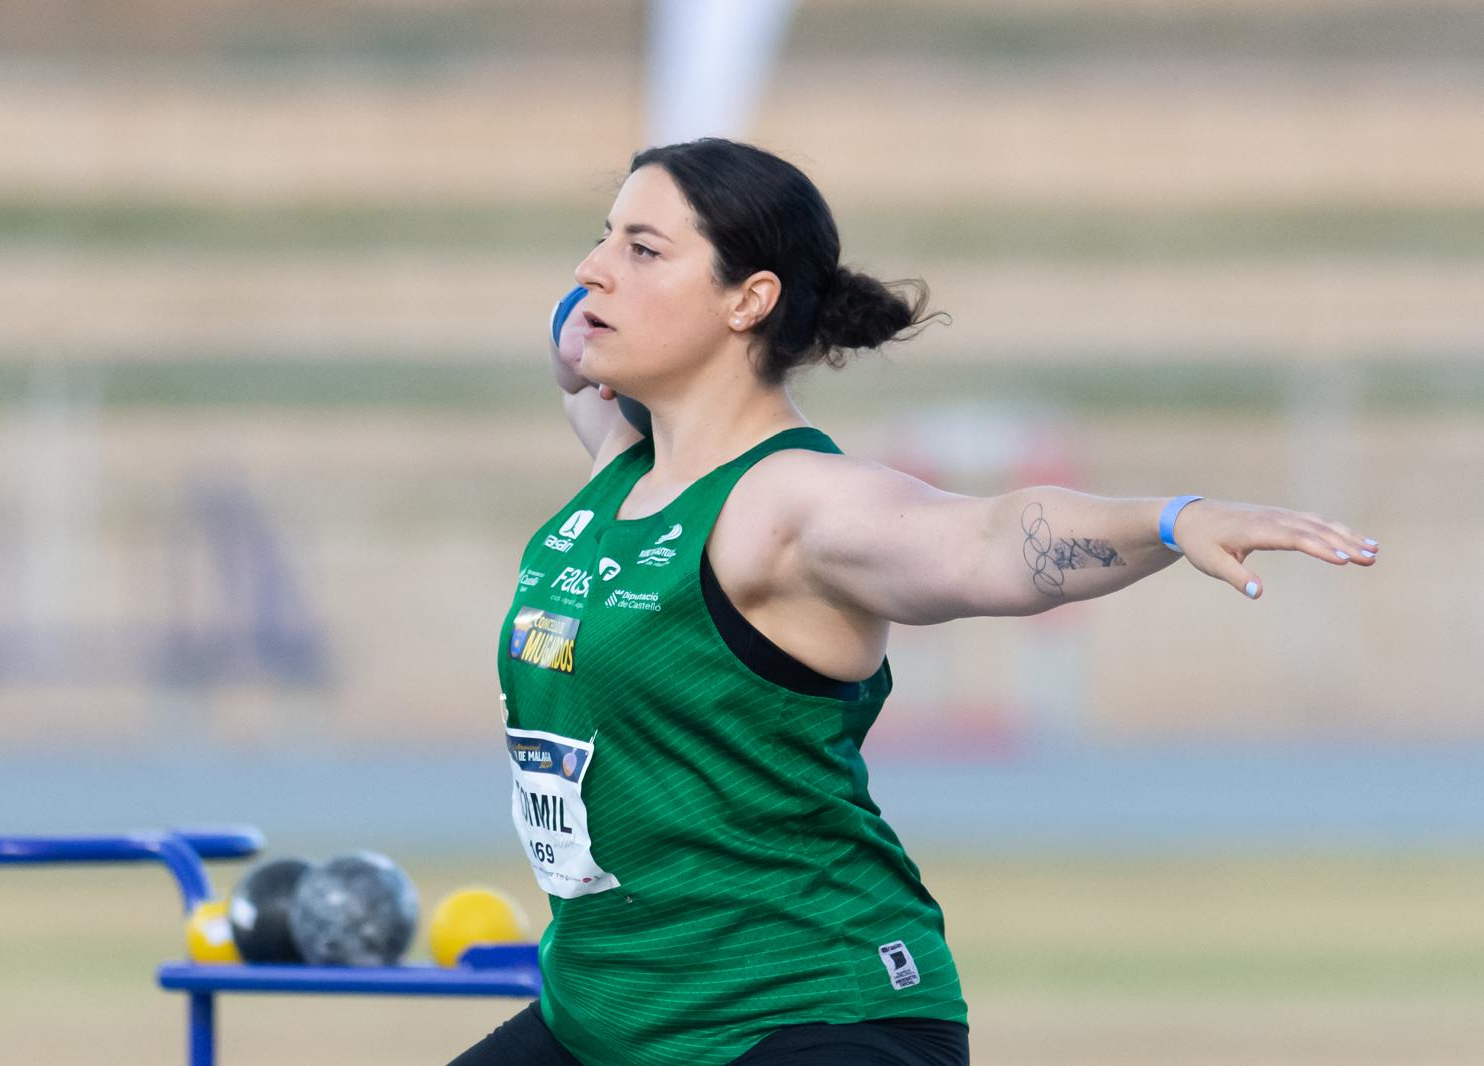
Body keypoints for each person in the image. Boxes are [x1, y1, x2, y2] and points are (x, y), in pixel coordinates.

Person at [456, 139, 1378, 1066]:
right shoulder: (623, 473)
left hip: (809, 1018)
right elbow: (571, 343)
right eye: (603, 237)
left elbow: (989, 542)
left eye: (643, 250)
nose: (594, 268)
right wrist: (577, 324)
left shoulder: (791, 505)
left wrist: (1168, 519)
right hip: (603, 1019)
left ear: (749, 299)